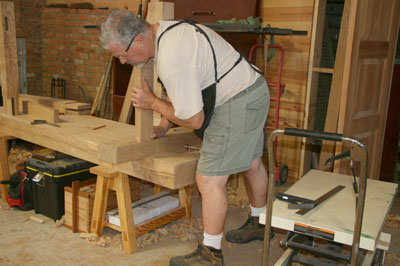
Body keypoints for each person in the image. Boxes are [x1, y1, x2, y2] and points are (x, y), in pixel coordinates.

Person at [100, 10, 272, 266]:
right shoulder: (165, 32)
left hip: (237, 100)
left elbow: (195, 119)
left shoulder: (172, 57)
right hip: (253, 88)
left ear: (137, 40)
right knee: (252, 162)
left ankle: (210, 254)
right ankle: (261, 223)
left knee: (209, 180)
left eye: (122, 55)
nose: (123, 62)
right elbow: (186, 91)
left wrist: (153, 103)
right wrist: (164, 125)